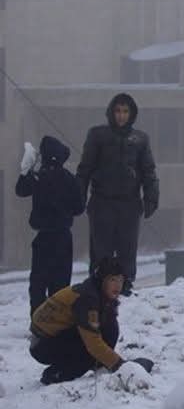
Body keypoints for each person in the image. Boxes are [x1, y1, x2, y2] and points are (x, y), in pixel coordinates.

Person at [77, 93, 159, 296]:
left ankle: (125, 288)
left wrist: (151, 199)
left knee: (127, 251)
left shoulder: (140, 139)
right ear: (111, 113)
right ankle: (98, 288)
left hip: (129, 204)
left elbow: (148, 172)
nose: (121, 115)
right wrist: (79, 197)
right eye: (117, 111)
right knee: (101, 251)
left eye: (125, 111)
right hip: (102, 203)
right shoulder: (98, 135)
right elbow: (85, 169)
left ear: (131, 114)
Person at [29, 258, 154, 385]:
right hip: (42, 345)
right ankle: (56, 374)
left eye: (120, 280)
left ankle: (97, 364)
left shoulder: (100, 294)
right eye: (113, 280)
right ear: (102, 280)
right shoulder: (87, 298)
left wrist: (110, 361)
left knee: (110, 327)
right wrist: (122, 367)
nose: (118, 285)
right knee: (88, 354)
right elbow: (93, 343)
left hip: (56, 338)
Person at [16, 137, 85, 317]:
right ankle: (57, 321)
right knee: (61, 283)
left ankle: (38, 318)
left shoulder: (39, 176)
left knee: (39, 281)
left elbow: (21, 190)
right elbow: (79, 208)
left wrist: (26, 171)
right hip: (64, 236)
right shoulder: (69, 179)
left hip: (43, 237)